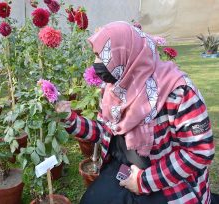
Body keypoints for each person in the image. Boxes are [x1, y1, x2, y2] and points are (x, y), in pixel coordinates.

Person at [55, 22, 217, 204]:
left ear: (125, 54)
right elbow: (105, 131)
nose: (96, 64)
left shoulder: (178, 92)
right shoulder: (114, 89)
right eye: (95, 56)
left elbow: (198, 152)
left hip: (169, 180)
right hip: (124, 168)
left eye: (101, 57)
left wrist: (144, 181)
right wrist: (70, 118)